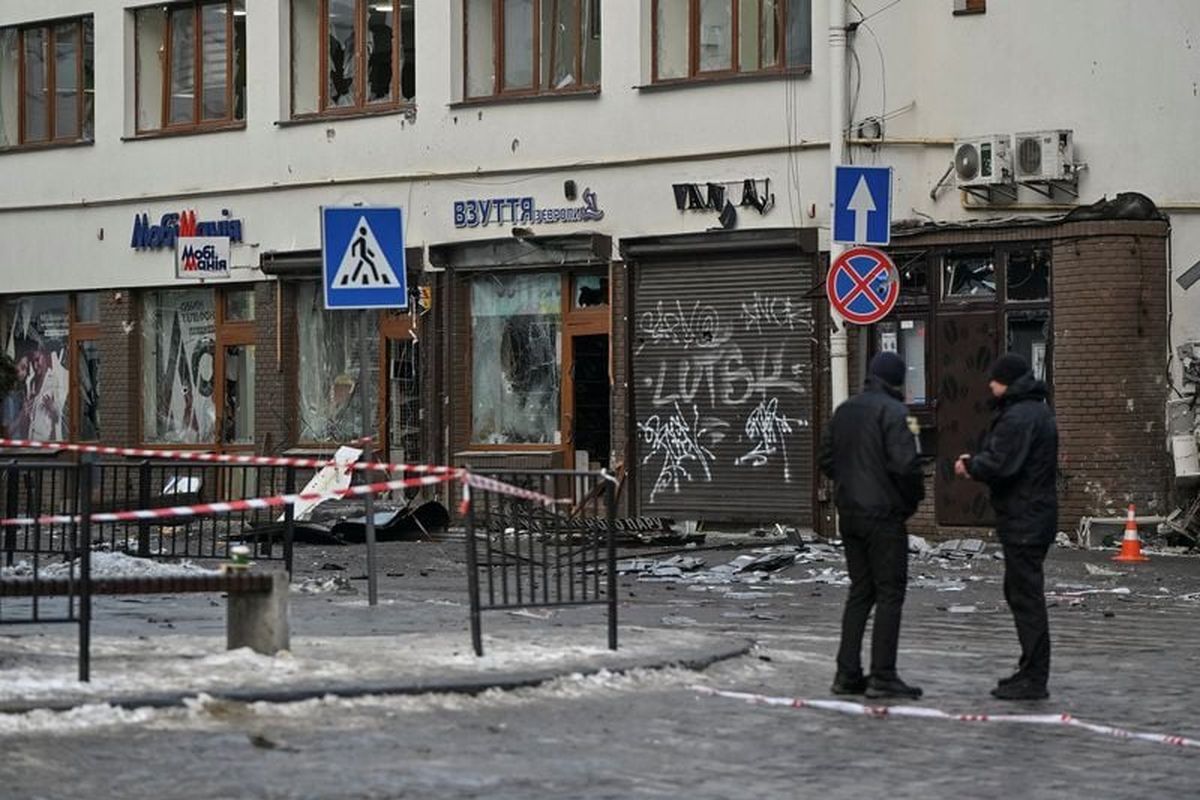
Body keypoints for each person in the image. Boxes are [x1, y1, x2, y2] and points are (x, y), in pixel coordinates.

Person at [820, 352, 925, 700]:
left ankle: (846, 673)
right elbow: (907, 466)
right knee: (890, 593)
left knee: (860, 592)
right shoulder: (895, 413)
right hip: (883, 515)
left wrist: (849, 485)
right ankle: (883, 674)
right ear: (898, 380)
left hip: (849, 514)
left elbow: (827, 459)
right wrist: (908, 503)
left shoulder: (845, 410)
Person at [955, 353, 1058, 701]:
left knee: (1025, 596)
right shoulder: (1039, 411)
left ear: (1008, 382)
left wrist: (972, 464)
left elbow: (1002, 463)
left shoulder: (1018, 417)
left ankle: (1033, 677)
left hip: (1025, 518)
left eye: (995, 379)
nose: (990, 385)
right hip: (1034, 515)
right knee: (1021, 593)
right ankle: (1030, 669)